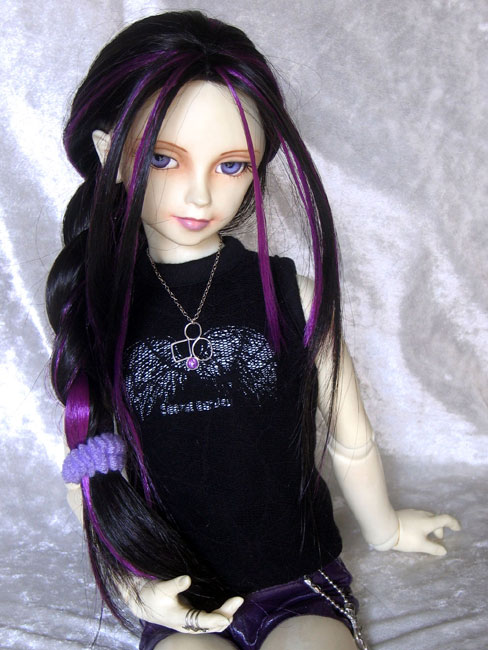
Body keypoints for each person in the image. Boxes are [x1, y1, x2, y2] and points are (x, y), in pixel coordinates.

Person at [46, 11, 460, 650]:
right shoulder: (98, 309)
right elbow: (88, 468)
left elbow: (350, 436)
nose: (199, 196)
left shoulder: (290, 294)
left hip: (297, 577)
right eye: (163, 158)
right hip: (183, 590)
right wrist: (136, 588)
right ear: (110, 155)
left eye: (231, 165)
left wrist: (384, 528)